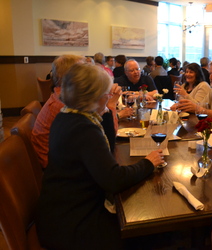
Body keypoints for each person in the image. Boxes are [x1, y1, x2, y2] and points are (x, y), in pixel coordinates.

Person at [36, 63, 164, 250]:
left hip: (59, 211)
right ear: (92, 97)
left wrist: (107, 107)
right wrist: (148, 163)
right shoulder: (83, 128)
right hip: (73, 224)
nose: (109, 96)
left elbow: (108, 150)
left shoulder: (69, 116)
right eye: (106, 93)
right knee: (149, 231)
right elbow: (113, 179)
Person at [31, 55, 130, 169]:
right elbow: (107, 137)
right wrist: (110, 105)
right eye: (86, 71)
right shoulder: (66, 106)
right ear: (75, 77)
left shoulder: (63, 97)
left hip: (63, 163)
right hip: (61, 171)